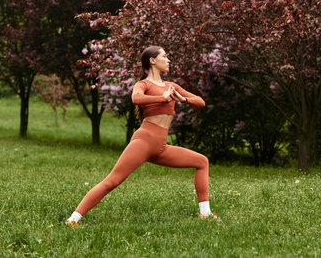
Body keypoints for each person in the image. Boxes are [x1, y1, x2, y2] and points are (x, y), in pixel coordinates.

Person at [66, 46, 216, 227]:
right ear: (152, 60)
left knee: (201, 162)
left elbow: (201, 102)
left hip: (161, 147)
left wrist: (182, 99)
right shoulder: (143, 84)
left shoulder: (172, 86)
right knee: (112, 181)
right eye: (165, 56)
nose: (168, 60)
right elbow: (136, 99)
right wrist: (163, 98)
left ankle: (205, 214)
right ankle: (73, 219)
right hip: (144, 141)